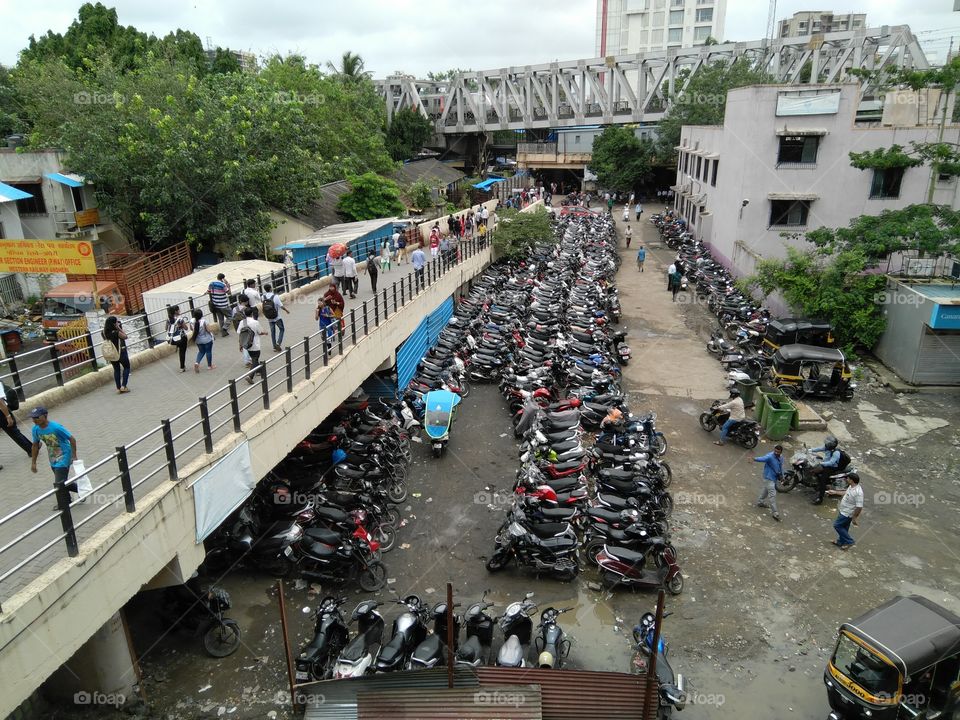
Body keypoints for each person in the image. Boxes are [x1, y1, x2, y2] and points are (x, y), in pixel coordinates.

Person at [30, 407, 80, 505]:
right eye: (33, 418)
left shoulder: (56, 427)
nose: (34, 420)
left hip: (64, 455)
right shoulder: (35, 429)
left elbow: (72, 439)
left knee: (59, 482)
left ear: (45, 416)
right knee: (62, 481)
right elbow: (35, 445)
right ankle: (82, 490)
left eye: (37, 417)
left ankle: (63, 504)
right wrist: (33, 462)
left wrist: (74, 455)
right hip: (53, 458)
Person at [827, 473, 863, 549]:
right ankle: (841, 542)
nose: (846, 480)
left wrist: (854, 517)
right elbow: (846, 493)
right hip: (843, 510)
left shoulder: (858, 493)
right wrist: (835, 492)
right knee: (844, 527)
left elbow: (859, 507)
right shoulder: (851, 487)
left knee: (837, 525)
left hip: (847, 513)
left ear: (851, 480)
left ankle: (850, 541)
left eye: (848, 479)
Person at [754, 445, 783, 522]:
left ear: (781, 452)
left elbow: (781, 467)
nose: (776, 453)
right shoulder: (770, 456)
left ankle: (760, 502)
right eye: (775, 451)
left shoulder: (781, 458)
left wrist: (781, 476)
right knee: (772, 495)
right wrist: (754, 459)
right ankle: (775, 512)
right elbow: (763, 458)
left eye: (778, 452)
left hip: (774, 478)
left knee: (766, 490)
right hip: (768, 477)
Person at [811, 435, 842, 505]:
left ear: (831, 445)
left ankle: (820, 498)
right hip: (825, 464)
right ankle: (817, 485)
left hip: (831, 467)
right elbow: (819, 448)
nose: (826, 445)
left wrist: (821, 463)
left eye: (828, 444)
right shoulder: (827, 448)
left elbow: (831, 463)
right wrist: (810, 450)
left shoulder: (836, 453)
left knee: (823, 480)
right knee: (814, 470)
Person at [239, 307, 267, 385]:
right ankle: (250, 376)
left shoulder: (242, 322)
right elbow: (260, 332)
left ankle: (259, 371)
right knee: (255, 359)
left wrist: (240, 345)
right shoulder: (255, 322)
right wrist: (265, 333)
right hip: (255, 343)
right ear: (252, 314)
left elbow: (240, 334)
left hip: (247, 344)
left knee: (254, 358)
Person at [102, 316, 131, 394]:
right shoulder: (116, 332)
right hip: (120, 352)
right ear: (114, 324)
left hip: (111, 354)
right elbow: (125, 336)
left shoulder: (104, 333)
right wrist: (119, 328)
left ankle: (118, 388)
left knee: (116, 369)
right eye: (116, 322)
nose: (117, 323)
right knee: (127, 367)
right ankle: (123, 386)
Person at [261, 282, 289, 351]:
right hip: (276, 317)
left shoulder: (263, 297)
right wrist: (286, 310)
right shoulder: (275, 296)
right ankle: (278, 343)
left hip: (269, 317)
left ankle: (274, 347)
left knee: (272, 332)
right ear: (270, 288)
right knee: (282, 329)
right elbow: (281, 305)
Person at [167, 305, 191, 372]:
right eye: (179, 310)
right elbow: (186, 328)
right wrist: (180, 326)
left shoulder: (168, 319)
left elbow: (166, 328)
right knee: (182, 352)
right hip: (181, 338)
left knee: (181, 352)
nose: (179, 311)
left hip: (173, 339)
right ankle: (182, 367)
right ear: (176, 311)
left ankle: (182, 367)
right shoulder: (180, 319)